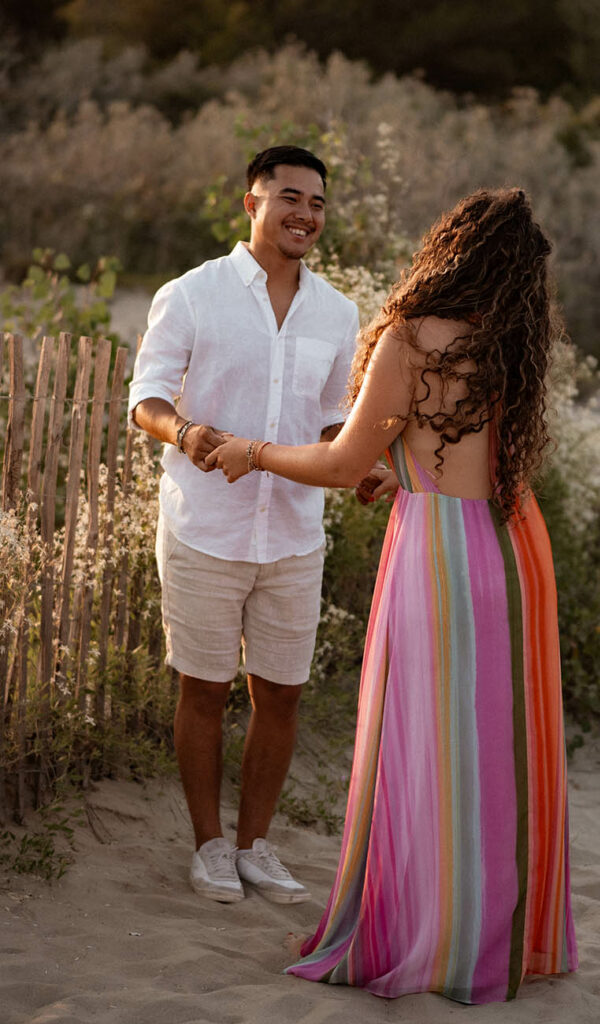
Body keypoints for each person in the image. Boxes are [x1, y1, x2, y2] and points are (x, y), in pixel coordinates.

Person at [206, 188, 579, 1004]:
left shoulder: (413, 337)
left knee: (425, 749)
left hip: (437, 555)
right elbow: (454, 451)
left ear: (449, 250)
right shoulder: (512, 346)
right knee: (493, 753)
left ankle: (422, 934)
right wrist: (398, 469)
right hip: (511, 546)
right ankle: (490, 934)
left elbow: (339, 467)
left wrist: (253, 450)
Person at [127, 146, 359, 905]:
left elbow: (330, 424)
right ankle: (209, 845)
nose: (306, 213)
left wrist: (360, 467)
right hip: (206, 529)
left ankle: (257, 845)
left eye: (317, 203)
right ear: (251, 204)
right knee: (203, 687)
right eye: (290, 196)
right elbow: (147, 398)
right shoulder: (192, 293)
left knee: (282, 694)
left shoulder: (338, 311)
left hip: (293, 534)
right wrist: (187, 434)